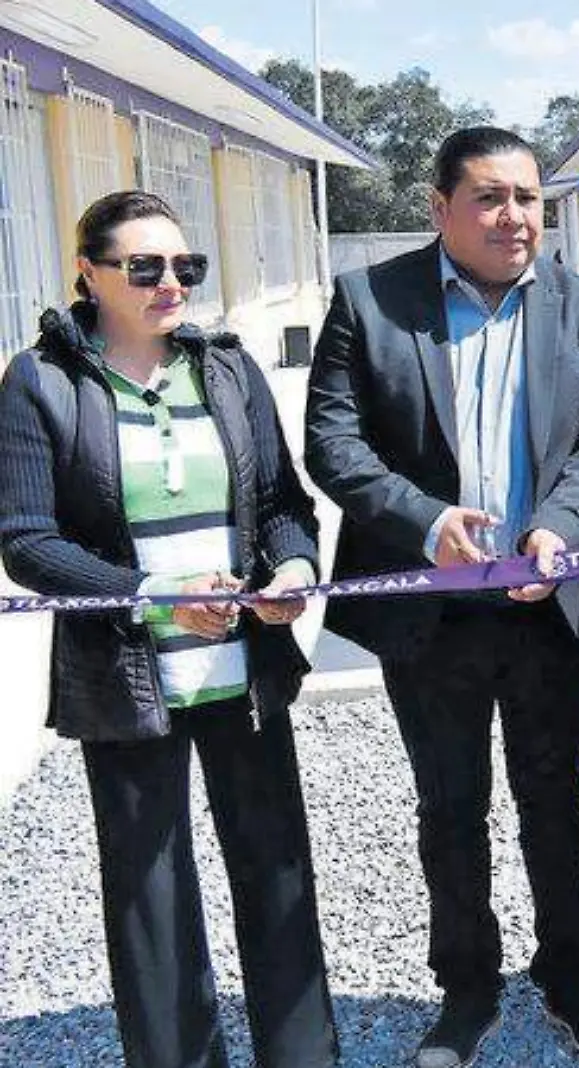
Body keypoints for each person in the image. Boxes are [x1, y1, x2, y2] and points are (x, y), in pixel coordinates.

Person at [304, 127, 579, 1067]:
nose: (514, 217)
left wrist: (559, 530)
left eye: (529, 198)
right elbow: (335, 442)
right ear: (440, 207)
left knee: (555, 798)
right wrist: (422, 521)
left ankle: (570, 974)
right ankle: (466, 987)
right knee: (451, 806)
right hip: (433, 615)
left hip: (549, 606)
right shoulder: (370, 302)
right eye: (491, 197)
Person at [0, 190, 335, 1067]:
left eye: (185, 267)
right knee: (150, 896)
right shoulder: (40, 383)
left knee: (278, 873)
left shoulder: (228, 370)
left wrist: (293, 574)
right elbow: (28, 544)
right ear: (89, 273)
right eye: (143, 268)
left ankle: (303, 1055)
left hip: (244, 671)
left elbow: (282, 508)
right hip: (126, 679)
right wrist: (153, 592)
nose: (170, 284)